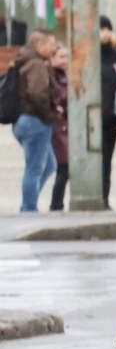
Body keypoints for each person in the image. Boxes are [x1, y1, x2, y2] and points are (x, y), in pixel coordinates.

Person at [12, 30, 59, 213]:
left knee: (49, 164)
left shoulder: (25, 61)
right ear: (40, 45)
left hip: (23, 120)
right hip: (35, 121)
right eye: (51, 44)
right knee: (34, 168)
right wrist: (49, 115)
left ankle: (29, 201)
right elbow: (37, 93)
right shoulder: (36, 64)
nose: (54, 48)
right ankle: (28, 208)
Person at [99, 16, 116, 208]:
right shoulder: (90, 55)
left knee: (106, 161)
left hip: (111, 118)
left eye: (107, 29)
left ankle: (104, 198)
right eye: (101, 29)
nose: (105, 33)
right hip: (93, 118)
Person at [48, 42, 69, 211]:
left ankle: (57, 204)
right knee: (63, 166)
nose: (65, 60)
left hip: (64, 127)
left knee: (64, 167)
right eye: (61, 57)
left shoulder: (64, 75)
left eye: (67, 57)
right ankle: (56, 205)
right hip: (57, 128)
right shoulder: (52, 77)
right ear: (52, 58)